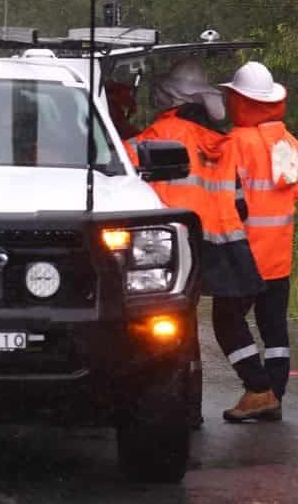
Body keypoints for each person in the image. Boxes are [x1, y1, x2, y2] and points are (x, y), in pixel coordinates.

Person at [123, 58, 256, 427]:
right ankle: (247, 389)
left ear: (169, 97)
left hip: (169, 247)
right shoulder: (223, 144)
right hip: (221, 245)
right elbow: (240, 204)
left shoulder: (153, 138)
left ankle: (186, 408)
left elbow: (122, 186)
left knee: (174, 325)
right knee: (204, 321)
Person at [217, 61, 297, 422]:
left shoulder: (235, 143)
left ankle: (257, 387)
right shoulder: (288, 141)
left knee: (226, 319)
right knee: (274, 327)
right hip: (278, 252)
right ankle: (273, 396)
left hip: (243, 252)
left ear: (243, 101)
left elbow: (224, 197)